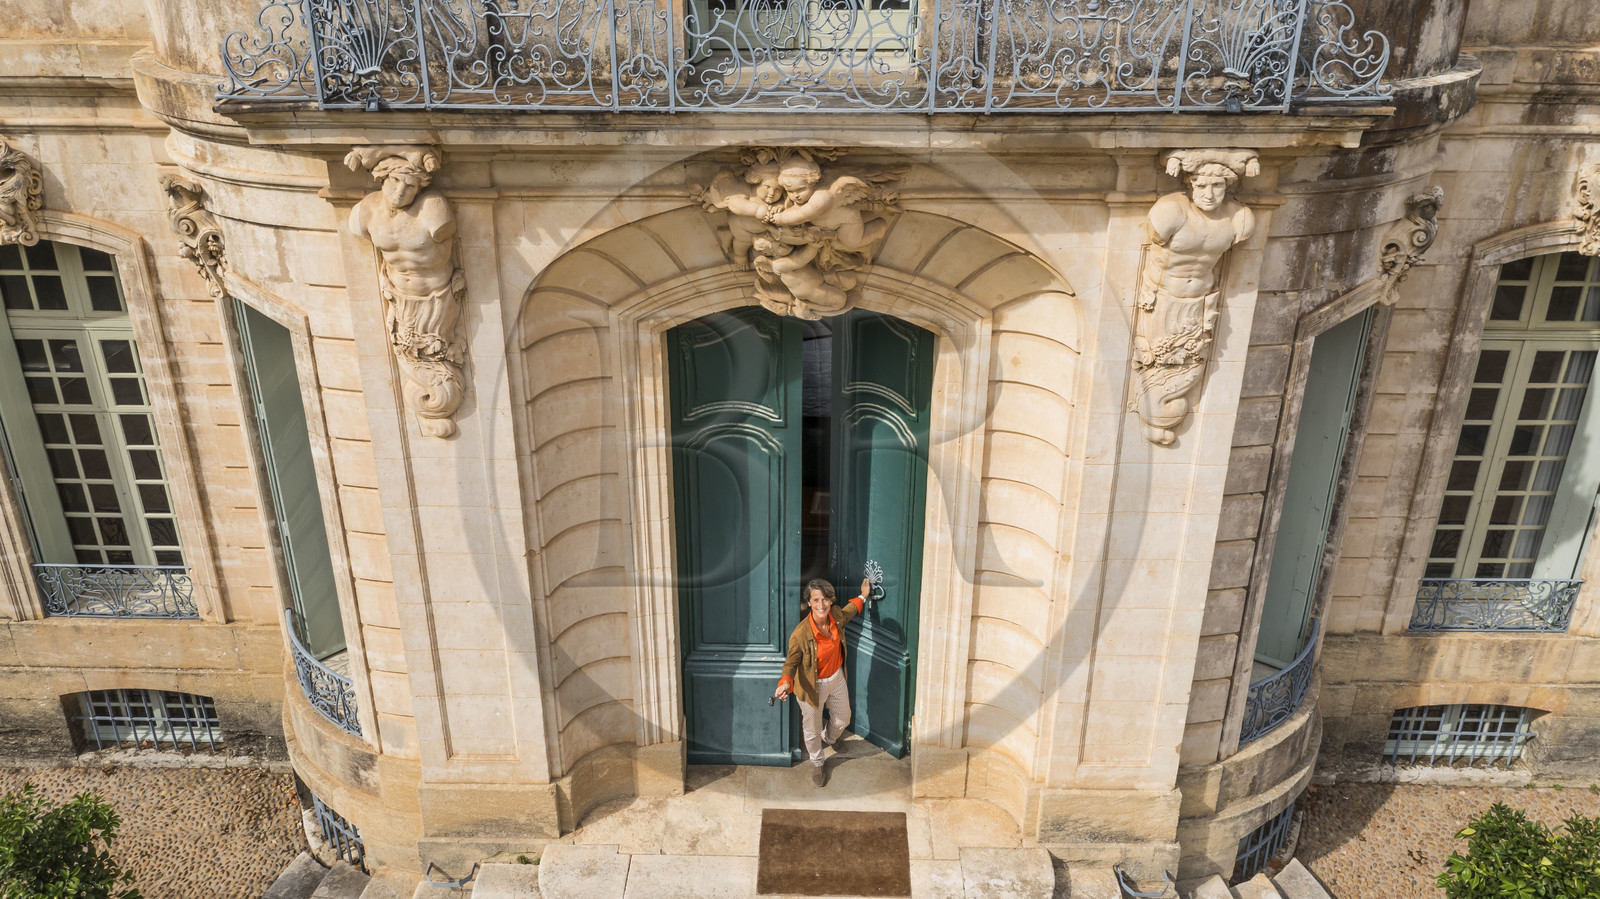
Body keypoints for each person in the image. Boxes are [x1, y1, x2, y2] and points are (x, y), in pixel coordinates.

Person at [774, 576, 872, 787]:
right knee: (811, 729)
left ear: (830, 600)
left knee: (843, 718)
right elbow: (791, 664)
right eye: (816, 600)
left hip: (836, 678)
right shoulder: (800, 634)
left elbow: (849, 610)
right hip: (811, 686)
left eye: (825, 599)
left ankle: (829, 738)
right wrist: (784, 683)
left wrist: (863, 597)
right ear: (808, 602)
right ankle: (818, 763)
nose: (821, 605)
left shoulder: (835, 615)